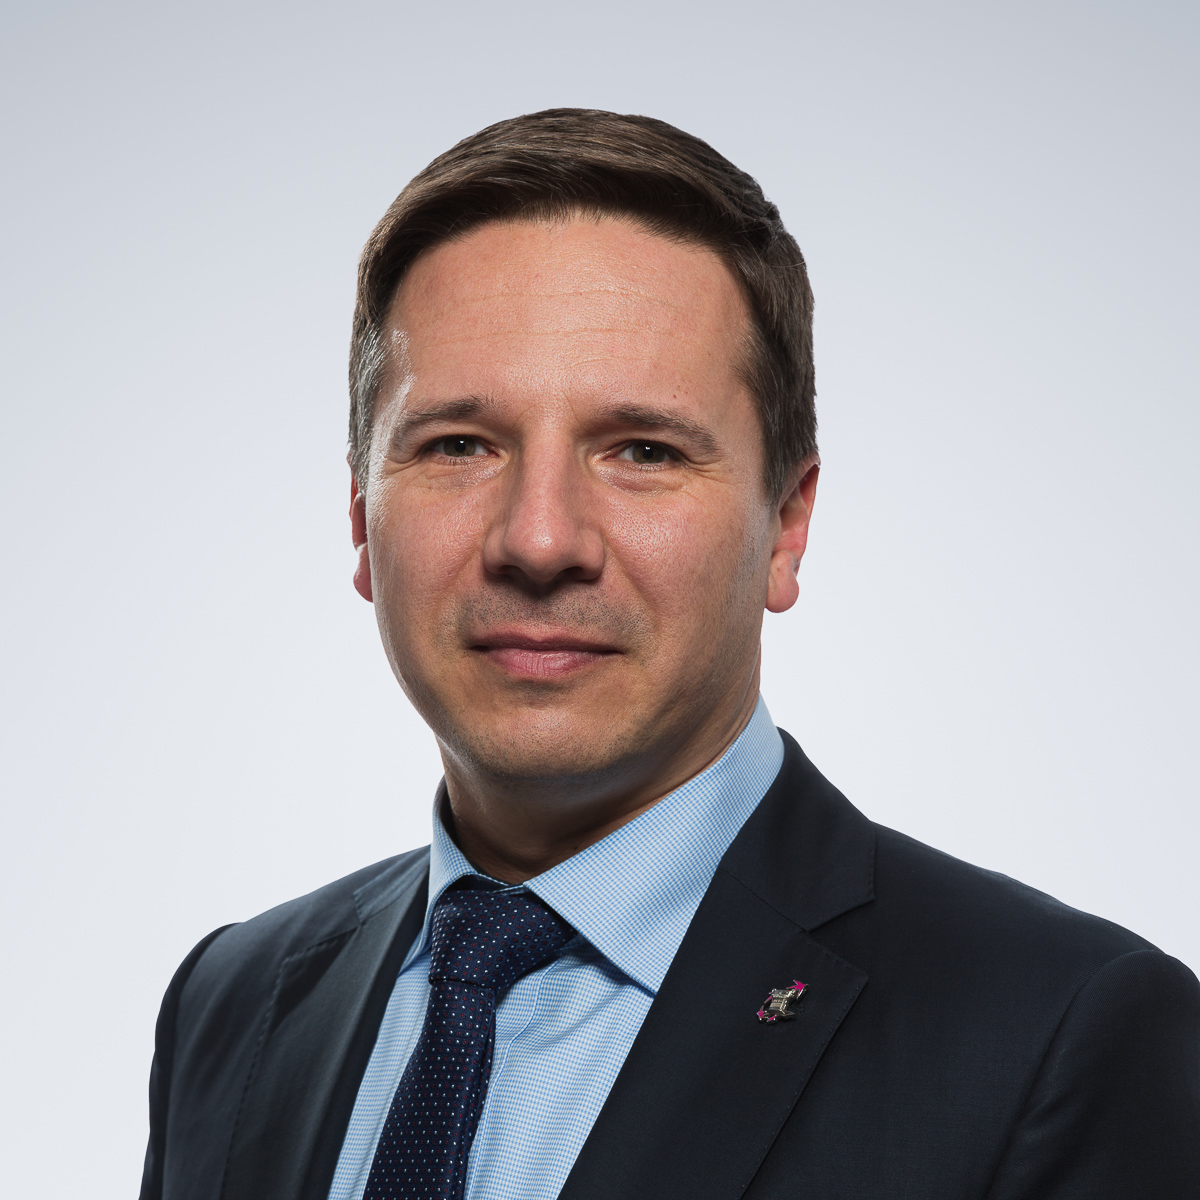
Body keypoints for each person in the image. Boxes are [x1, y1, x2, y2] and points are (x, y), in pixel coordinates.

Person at [139, 109, 1200, 1200]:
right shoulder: (233, 1004)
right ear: (363, 517)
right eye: (459, 444)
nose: (538, 540)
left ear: (785, 524)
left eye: (641, 450)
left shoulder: (1057, 1036)